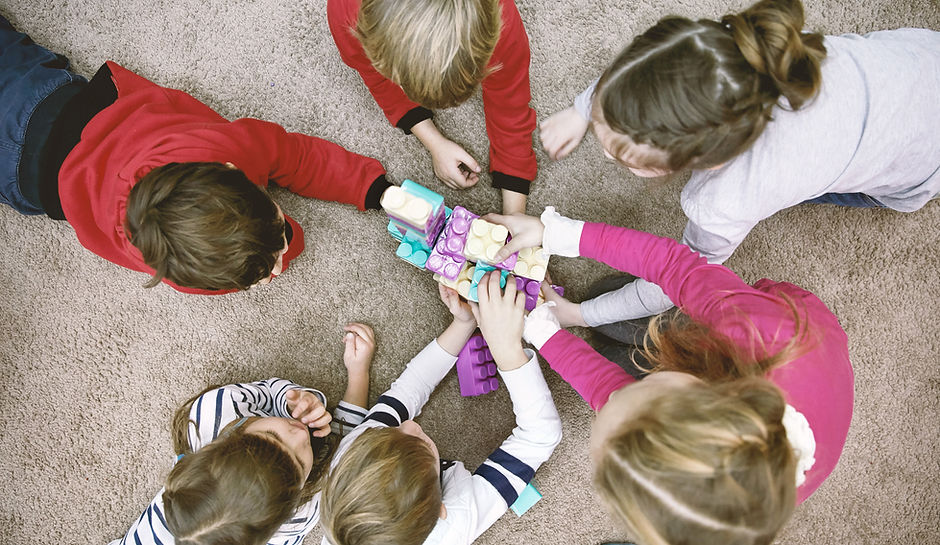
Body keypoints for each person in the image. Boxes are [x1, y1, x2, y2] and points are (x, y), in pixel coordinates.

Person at [536, 0, 940, 327]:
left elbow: (682, 276)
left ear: (708, 162)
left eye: (624, 158)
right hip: (922, 58)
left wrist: (583, 315)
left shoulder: (725, 200)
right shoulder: (722, 52)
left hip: (919, 169)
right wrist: (585, 107)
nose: (606, 154)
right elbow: (647, 73)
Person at [485, 208, 854, 545]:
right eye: (632, 396)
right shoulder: (752, 329)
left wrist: (543, 335)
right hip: (788, 320)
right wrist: (555, 233)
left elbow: (612, 398)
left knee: (620, 332)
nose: (611, 400)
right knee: (616, 307)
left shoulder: (728, 510)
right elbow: (672, 264)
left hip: (783, 374)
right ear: (699, 386)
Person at [1, 15, 392, 294]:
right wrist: (285, 240)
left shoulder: (227, 147)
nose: (278, 264)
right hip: (30, 167)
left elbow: (296, 155)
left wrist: (372, 188)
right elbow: (290, 161)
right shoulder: (175, 261)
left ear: (230, 168)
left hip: (43, 111)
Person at [320, 283, 562, 545]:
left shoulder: (355, 455)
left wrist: (463, 323)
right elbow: (541, 434)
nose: (409, 424)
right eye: (419, 441)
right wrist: (507, 350)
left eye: (391, 429)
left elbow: (410, 387)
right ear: (440, 512)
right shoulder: (457, 521)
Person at [109, 323, 376, 545]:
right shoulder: (299, 514)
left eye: (273, 435)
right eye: (299, 461)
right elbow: (346, 452)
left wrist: (294, 400)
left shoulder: (212, 410)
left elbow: (270, 390)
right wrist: (358, 374)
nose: (299, 435)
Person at [327, 0, 537, 215]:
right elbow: (376, 79)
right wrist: (434, 142)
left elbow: (510, 101)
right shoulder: (346, 15)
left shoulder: (501, 20)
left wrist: (514, 213)